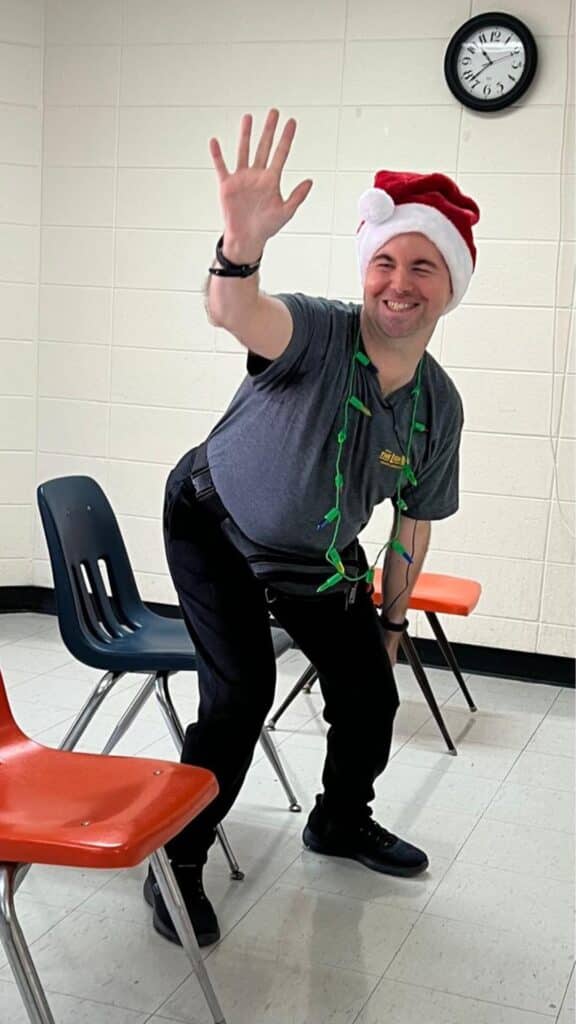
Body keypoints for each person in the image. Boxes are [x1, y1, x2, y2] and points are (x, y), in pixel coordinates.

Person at [143, 109, 480, 947]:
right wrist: (240, 248)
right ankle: (176, 863)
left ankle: (338, 820)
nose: (400, 282)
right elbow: (236, 312)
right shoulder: (317, 332)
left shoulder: (438, 407)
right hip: (212, 523)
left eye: (424, 267)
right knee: (241, 695)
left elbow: (412, 527)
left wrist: (392, 623)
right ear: (367, 270)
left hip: (317, 557)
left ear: (452, 287)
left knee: (370, 689)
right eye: (387, 261)